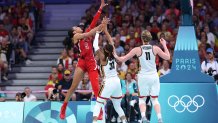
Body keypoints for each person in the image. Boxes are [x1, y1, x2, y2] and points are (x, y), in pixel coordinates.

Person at [60, 0, 108, 119]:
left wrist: (100, 8)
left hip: (91, 62)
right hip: (82, 62)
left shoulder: (85, 32)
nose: (78, 27)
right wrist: (99, 27)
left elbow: (93, 21)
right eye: (75, 27)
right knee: (73, 88)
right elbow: (89, 33)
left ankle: (100, 111)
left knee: (96, 87)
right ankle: (63, 108)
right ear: (74, 32)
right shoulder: (76, 37)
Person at [114, 30, 170, 123]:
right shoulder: (155, 48)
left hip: (143, 77)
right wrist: (164, 44)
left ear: (141, 38)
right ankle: (160, 119)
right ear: (150, 38)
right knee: (155, 99)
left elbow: (122, 59)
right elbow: (168, 57)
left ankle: (143, 117)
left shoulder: (137, 49)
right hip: (153, 76)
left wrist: (115, 54)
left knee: (142, 99)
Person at [92, 25, 127, 123]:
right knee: (117, 106)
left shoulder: (103, 58)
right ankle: (124, 121)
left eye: (104, 48)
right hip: (117, 81)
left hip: (109, 82)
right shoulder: (114, 54)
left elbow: (95, 46)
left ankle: (94, 122)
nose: (102, 49)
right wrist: (106, 31)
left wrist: (97, 33)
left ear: (105, 51)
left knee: (98, 103)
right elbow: (111, 42)